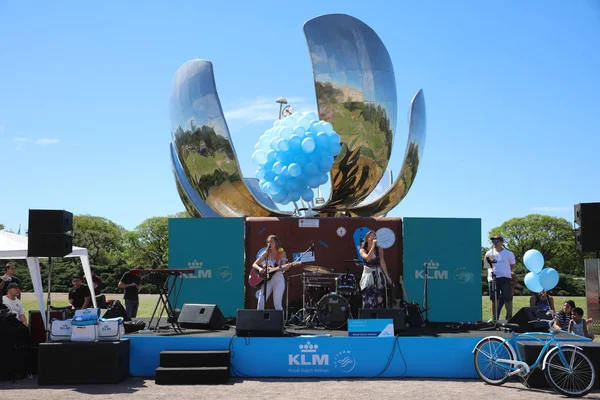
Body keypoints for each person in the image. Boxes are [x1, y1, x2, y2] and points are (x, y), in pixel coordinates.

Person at [252, 235, 293, 311]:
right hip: (266, 280)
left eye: (271, 242)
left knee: (277, 303)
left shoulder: (281, 252)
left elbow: (283, 266)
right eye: (268, 242)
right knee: (261, 302)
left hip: (278, 279)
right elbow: (254, 264)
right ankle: (258, 321)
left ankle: (281, 322)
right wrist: (260, 269)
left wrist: (287, 266)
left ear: (276, 243)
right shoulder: (266, 253)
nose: (269, 243)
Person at [485, 235, 516, 321]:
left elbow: (513, 265)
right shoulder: (489, 253)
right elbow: (488, 265)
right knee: (494, 298)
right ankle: (494, 317)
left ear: (502, 242)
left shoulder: (508, 253)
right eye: (493, 241)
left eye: (496, 241)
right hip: (493, 278)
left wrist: (509, 272)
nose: (494, 243)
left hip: (505, 278)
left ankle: (510, 317)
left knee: (507, 298)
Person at [359, 230, 393, 309]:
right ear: (367, 238)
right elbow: (368, 258)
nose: (372, 238)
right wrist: (373, 246)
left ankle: (379, 319)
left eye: (374, 236)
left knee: (379, 299)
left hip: (378, 273)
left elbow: (382, 262)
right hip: (368, 275)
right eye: (371, 236)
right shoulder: (362, 250)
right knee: (368, 299)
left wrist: (387, 277)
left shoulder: (379, 248)